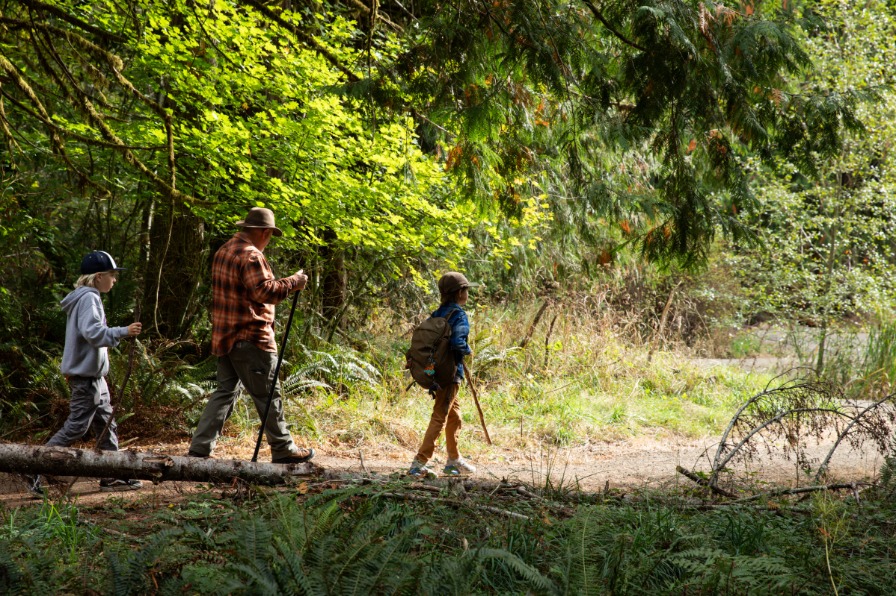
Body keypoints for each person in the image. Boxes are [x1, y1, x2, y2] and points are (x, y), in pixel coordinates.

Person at [188, 207, 315, 464]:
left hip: (226, 337)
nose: (268, 241)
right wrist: (294, 282)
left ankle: (200, 447)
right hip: (252, 338)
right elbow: (264, 292)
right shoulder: (251, 256)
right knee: (269, 394)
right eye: (270, 236)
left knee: (225, 391)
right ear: (265, 232)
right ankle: (283, 448)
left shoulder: (224, 250)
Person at [27, 250, 144, 496]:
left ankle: (111, 473)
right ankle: (33, 466)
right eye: (112, 275)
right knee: (77, 427)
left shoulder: (89, 297)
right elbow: (92, 333)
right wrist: (123, 331)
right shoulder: (89, 298)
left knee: (105, 423)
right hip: (85, 378)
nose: (115, 280)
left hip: (95, 377)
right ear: (99, 276)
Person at [408, 272, 478, 477]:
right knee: (440, 416)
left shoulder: (438, 313)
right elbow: (457, 342)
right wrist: (467, 351)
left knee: (454, 415)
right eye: (466, 290)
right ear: (460, 293)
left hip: (436, 372)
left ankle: (453, 460)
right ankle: (419, 463)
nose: (467, 293)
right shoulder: (459, 315)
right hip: (450, 374)